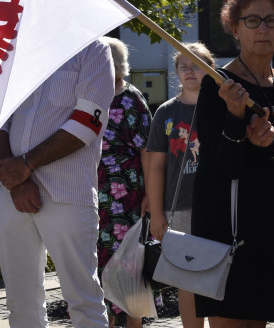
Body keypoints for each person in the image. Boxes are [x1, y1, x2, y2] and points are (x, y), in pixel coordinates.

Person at [193, 0, 274, 327]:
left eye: (272, 20)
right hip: (224, 226)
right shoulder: (218, 85)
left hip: (267, 224)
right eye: (252, 20)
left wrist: (271, 148)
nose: (263, 28)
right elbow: (225, 165)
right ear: (235, 28)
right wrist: (234, 117)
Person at [0, 39, 114, 328]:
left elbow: (88, 122)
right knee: (20, 303)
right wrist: (16, 180)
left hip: (68, 191)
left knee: (83, 300)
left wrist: (25, 165)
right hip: (12, 191)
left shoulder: (94, 49)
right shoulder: (19, 48)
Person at [144, 42, 214, 328]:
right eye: (183, 66)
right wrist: (157, 213)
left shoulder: (220, 107)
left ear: (210, 68)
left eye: (197, 64)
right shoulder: (165, 112)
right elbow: (156, 165)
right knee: (187, 280)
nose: (190, 71)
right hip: (179, 207)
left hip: (215, 205)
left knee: (218, 274)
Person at [97, 37, 152, 328]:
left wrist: (149, 195)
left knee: (129, 268)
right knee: (100, 266)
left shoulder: (131, 99)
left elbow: (148, 151)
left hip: (125, 194)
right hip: (94, 194)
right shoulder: (91, 94)